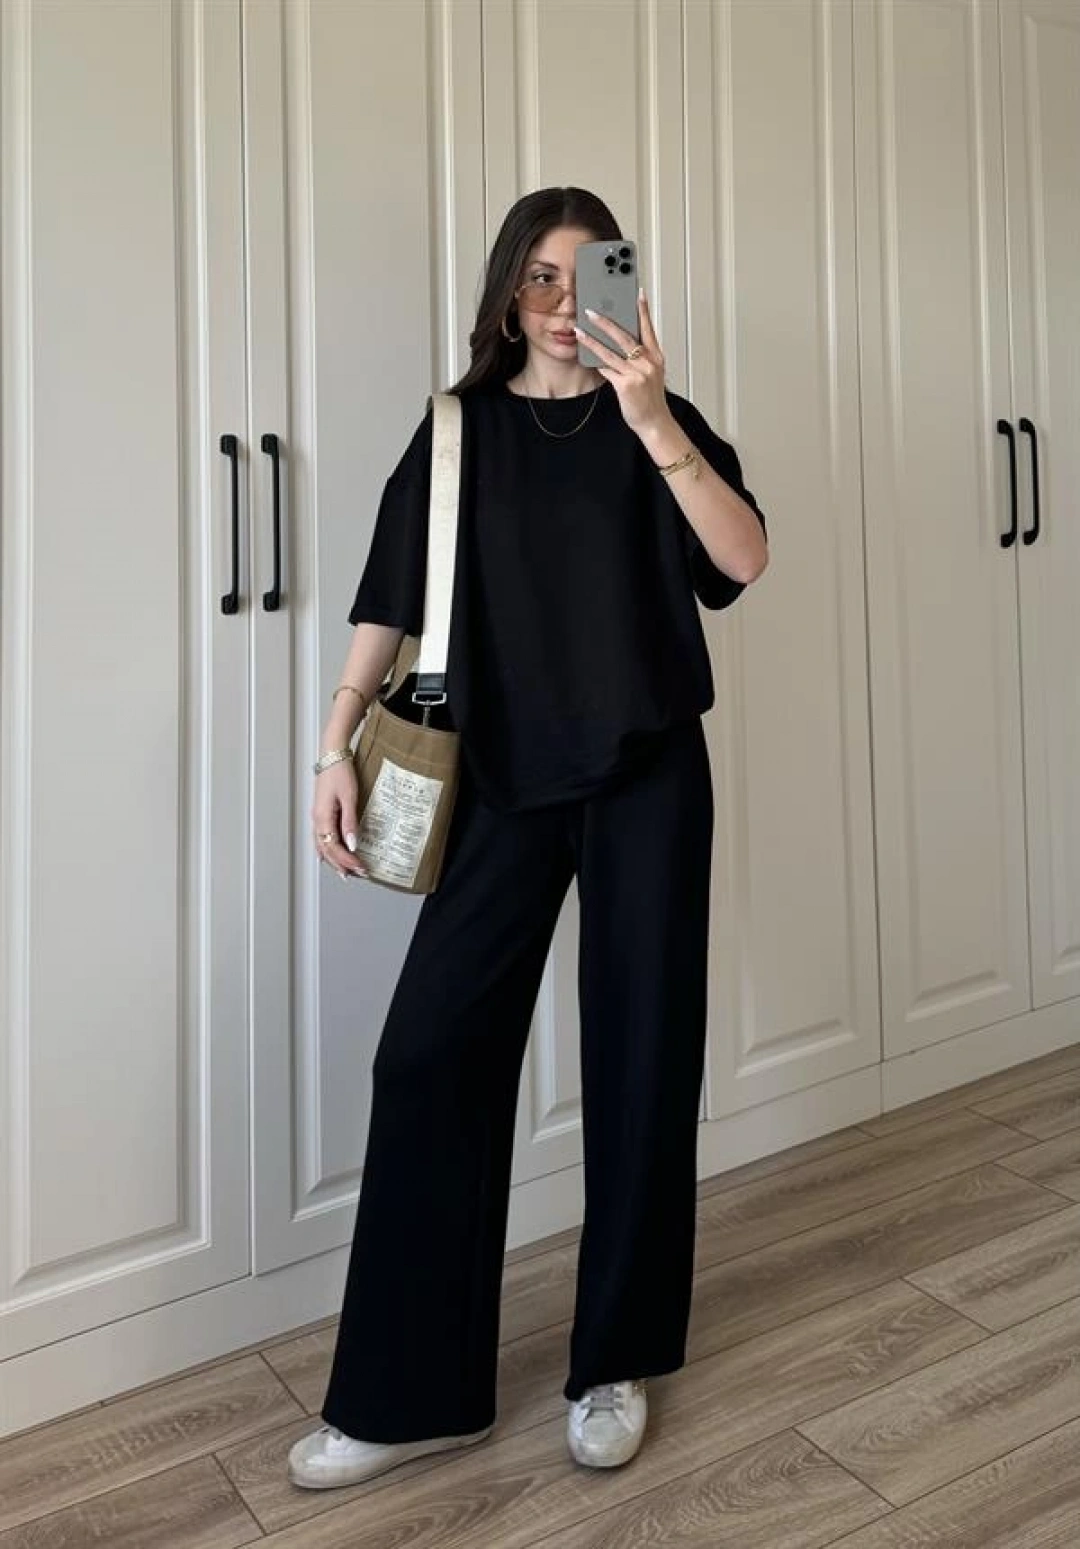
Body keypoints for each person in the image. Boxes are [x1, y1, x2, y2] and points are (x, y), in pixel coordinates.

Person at [288, 187, 768, 1490]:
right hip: (500, 780)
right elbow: (389, 598)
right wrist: (332, 746)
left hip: (649, 776)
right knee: (428, 1058)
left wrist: (655, 420)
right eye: (540, 280)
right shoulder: (457, 431)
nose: (563, 306)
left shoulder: (655, 420)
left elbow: (743, 560)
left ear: (622, 290)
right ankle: (408, 1395)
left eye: (588, 277)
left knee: (640, 1061)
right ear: (509, 294)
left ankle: (616, 1358)